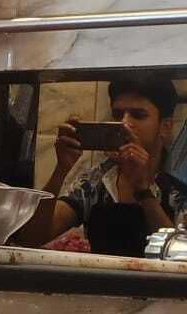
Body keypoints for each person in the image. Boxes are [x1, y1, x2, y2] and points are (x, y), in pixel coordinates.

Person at [15, 75, 187, 256]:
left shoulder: (177, 190)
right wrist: (61, 169)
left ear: (165, 127)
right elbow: (31, 239)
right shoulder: (95, 182)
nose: (125, 123)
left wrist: (144, 192)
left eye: (138, 115)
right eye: (117, 115)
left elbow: (180, 257)